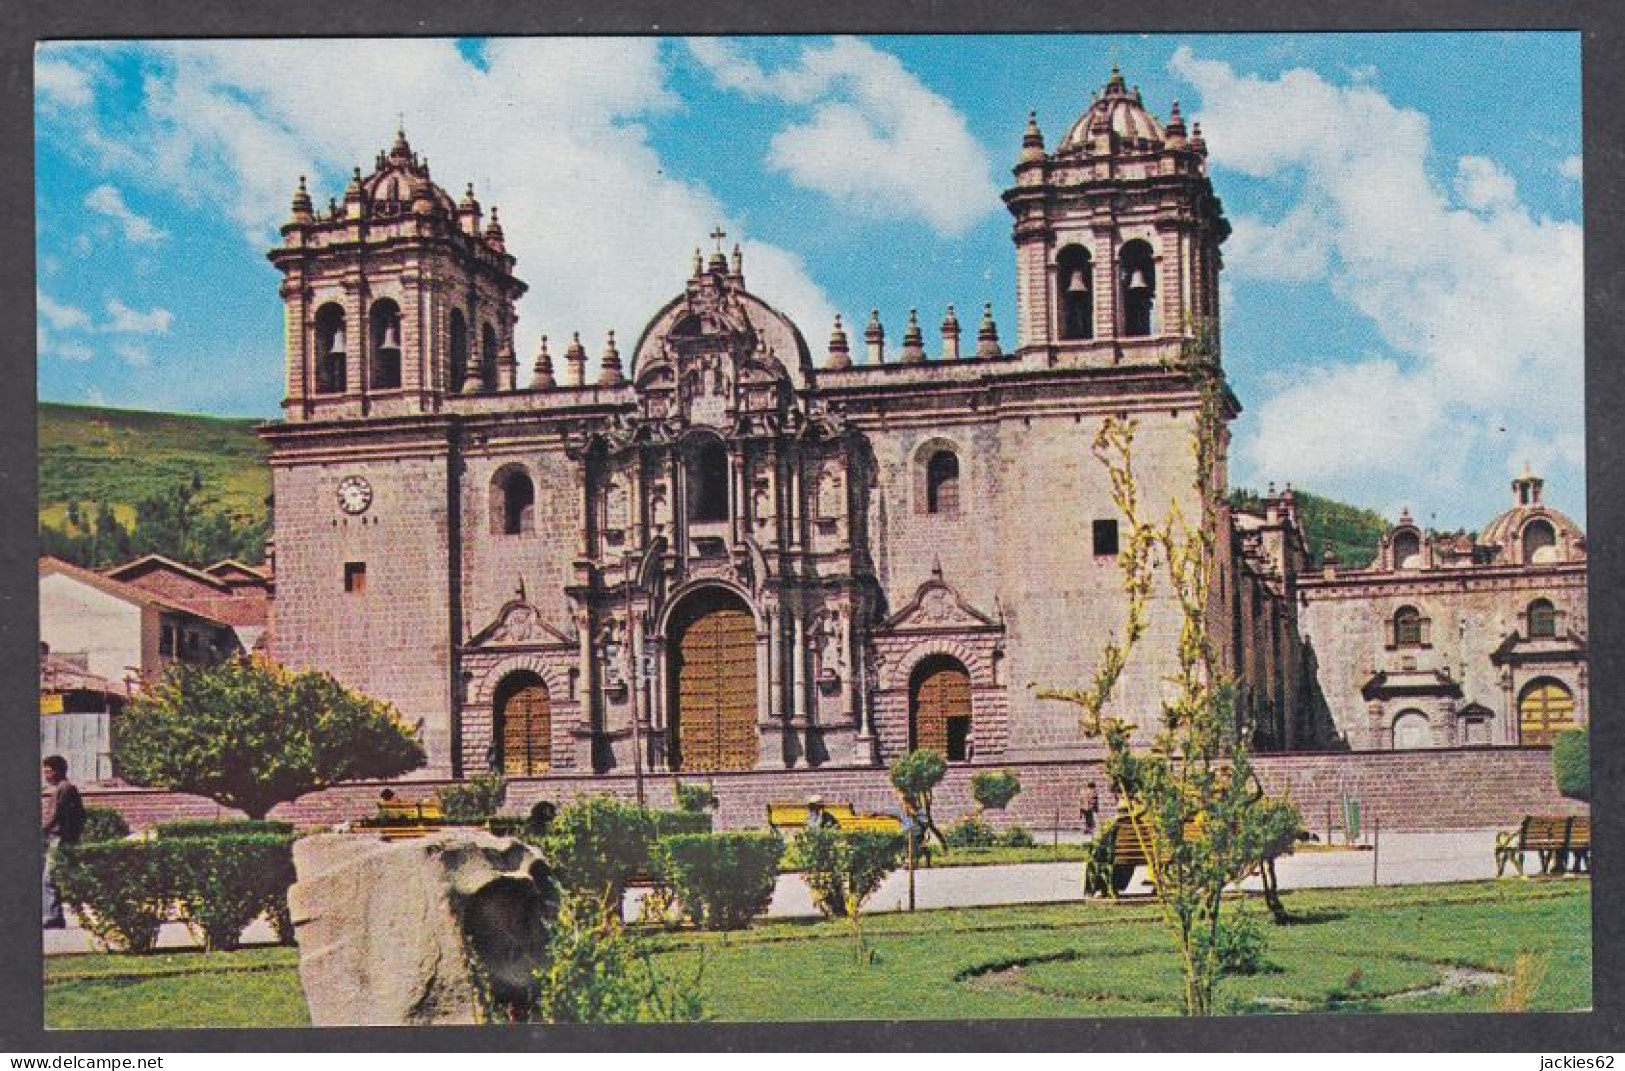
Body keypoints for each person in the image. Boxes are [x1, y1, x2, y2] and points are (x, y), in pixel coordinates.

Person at [42, 755, 85, 930]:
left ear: (58, 771)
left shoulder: (64, 789)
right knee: (55, 878)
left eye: (48, 770)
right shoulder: (63, 788)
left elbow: (55, 816)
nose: (45, 774)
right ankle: (56, 916)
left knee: (49, 878)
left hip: (59, 838)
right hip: (57, 838)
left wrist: (43, 829)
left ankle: (53, 917)